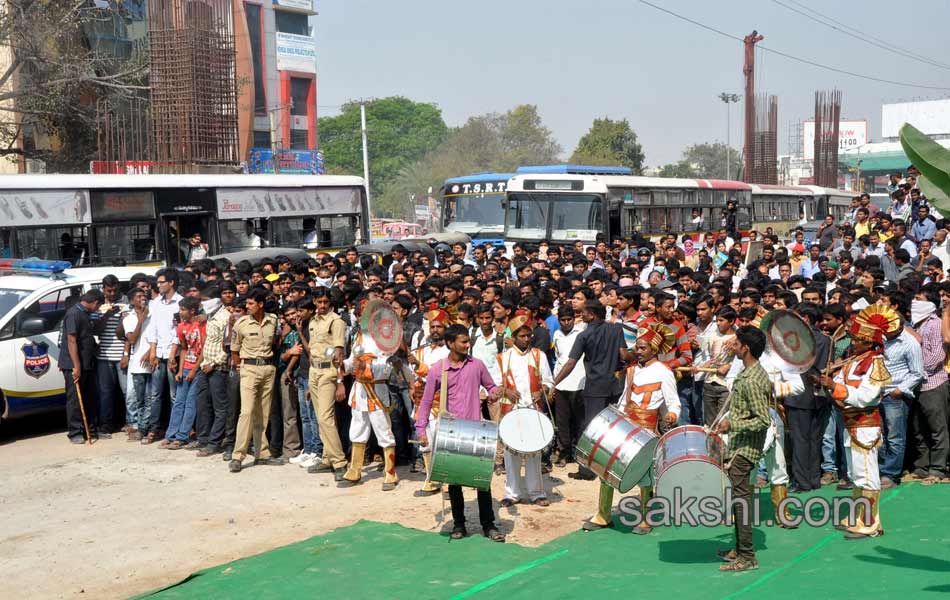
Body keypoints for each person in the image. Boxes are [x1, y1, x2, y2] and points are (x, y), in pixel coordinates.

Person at [583, 323, 678, 534]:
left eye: (643, 348)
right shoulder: (632, 370)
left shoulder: (664, 372)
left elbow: (674, 404)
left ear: (654, 350)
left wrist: (671, 416)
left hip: (647, 430)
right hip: (625, 427)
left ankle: (646, 518)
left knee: (644, 475)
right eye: (637, 347)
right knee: (607, 468)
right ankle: (603, 514)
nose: (638, 352)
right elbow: (625, 399)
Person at [415, 324, 507, 541]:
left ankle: (489, 525)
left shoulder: (477, 365)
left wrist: (496, 393)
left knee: (482, 480)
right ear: (450, 343)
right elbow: (426, 401)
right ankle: (459, 524)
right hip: (451, 431)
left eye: (468, 341)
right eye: (464, 342)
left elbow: (491, 388)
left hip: (475, 429)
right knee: (454, 481)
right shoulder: (439, 369)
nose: (468, 345)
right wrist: (421, 429)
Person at [815, 305, 895, 539]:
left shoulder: (875, 363)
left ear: (869, 342)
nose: (853, 343)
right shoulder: (853, 361)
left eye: (858, 340)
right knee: (855, 473)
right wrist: (822, 383)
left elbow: (867, 396)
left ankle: (870, 524)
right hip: (850, 424)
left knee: (867, 475)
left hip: (865, 425)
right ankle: (858, 516)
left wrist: (835, 387)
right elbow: (839, 384)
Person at [716, 326, 771, 572]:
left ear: (745, 348)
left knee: (741, 502)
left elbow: (763, 420)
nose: (733, 345)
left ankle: (747, 557)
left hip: (744, 451)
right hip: (738, 447)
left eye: (736, 342)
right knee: (738, 500)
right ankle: (739, 549)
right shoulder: (749, 372)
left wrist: (732, 423)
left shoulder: (753, 381)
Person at [553, 300, 626, 481]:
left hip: (594, 388)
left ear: (592, 315)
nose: (581, 316)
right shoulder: (616, 329)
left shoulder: (584, 336)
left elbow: (571, 363)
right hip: (614, 386)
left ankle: (586, 471)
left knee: (590, 430)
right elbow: (624, 355)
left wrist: (555, 382)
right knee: (612, 428)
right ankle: (612, 467)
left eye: (583, 313)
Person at [497, 312, 553, 507]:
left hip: (533, 410)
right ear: (513, 337)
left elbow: (548, 381)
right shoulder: (502, 358)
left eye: (529, 335)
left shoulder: (539, 356)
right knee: (511, 453)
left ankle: (537, 492)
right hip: (510, 411)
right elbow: (493, 386)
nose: (526, 339)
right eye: (522, 336)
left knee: (534, 452)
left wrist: (543, 390)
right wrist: (506, 390)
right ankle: (512, 493)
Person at [228, 288, 282, 473]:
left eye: (251, 303)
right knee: (247, 412)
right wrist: (240, 367)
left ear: (261, 304)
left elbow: (276, 340)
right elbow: (234, 350)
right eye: (247, 303)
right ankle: (238, 455)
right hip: (249, 368)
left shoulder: (273, 320)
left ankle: (262, 453)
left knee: (263, 412)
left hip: (268, 368)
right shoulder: (241, 323)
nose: (247, 307)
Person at [339, 341, 399, 491]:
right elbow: (351, 363)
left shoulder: (385, 341)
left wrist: (364, 367)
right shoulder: (359, 339)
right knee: (357, 431)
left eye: (362, 315)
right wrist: (341, 364)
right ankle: (355, 470)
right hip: (359, 393)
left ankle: (390, 472)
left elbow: (386, 369)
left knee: (384, 431)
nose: (360, 317)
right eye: (358, 315)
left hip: (376, 392)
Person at [305, 288, 348, 480]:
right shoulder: (313, 321)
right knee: (318, 415)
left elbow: (339, 354)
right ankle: (327, 457)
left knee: (325, 417)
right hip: (314, 370)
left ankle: (339, 462)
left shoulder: (336, 321)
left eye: (325, 302)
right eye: (319, 302)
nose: (322, 305)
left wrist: (340, 382)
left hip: (329, 372)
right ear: (314, 301)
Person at [142, 269, 182, 445]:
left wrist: (172, 355)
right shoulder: (156, 303)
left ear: (171, 283)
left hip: (174, 353)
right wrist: (152, 352)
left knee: (175, 395)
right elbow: (153, 329)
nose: (158, 285)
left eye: (161, 282)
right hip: (158, 353)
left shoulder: (180, 303)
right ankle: (154, 429)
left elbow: (179, 332)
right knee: (155, 394)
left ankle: (175, 431)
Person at [161, 297, 205, 450]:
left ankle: (182, 436)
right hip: (186, 366)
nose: (180, 313)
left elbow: (204, 350)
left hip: (198, 369)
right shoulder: (181, 327)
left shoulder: (201, 325)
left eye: (183, 310)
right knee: (179, 401)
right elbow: (184, 348)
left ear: (192, 311)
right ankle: (171, 434)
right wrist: (181, 370)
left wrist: (194, 370)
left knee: (190, 403)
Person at [62, 289, 105, 443]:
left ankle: (90, 430)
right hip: (74, 364)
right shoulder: (74, 314)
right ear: (95, 302)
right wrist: (77, 366)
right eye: (98, 306)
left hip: (87, 362)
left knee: (89, 398)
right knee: (75, 399)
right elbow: (71, 340)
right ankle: (75, 432)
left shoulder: (85, 313)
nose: (98, 309)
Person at [93, 275, 127, 435]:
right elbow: (96, 331)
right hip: (104, 356)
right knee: (105, 392)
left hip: (122, 354)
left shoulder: (125, 301)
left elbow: (129, 330)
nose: (112, 293)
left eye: (115, 290)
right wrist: (106, 315)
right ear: (103, 289)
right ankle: (106, 423)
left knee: (127, 391)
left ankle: (130, 422)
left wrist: (122, 316)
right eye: (109, 291)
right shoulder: (98, 304)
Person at [552, 305, 585, 467]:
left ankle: (577, 452)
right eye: (562, 320)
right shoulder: (556, 334)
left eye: (568, 320)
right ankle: (564, 452)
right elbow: (559, 357)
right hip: (560, 383)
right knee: (562, 420)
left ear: (574, 318)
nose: (566, 323)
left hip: (579, 382)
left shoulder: (581, 333)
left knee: (578, 420)